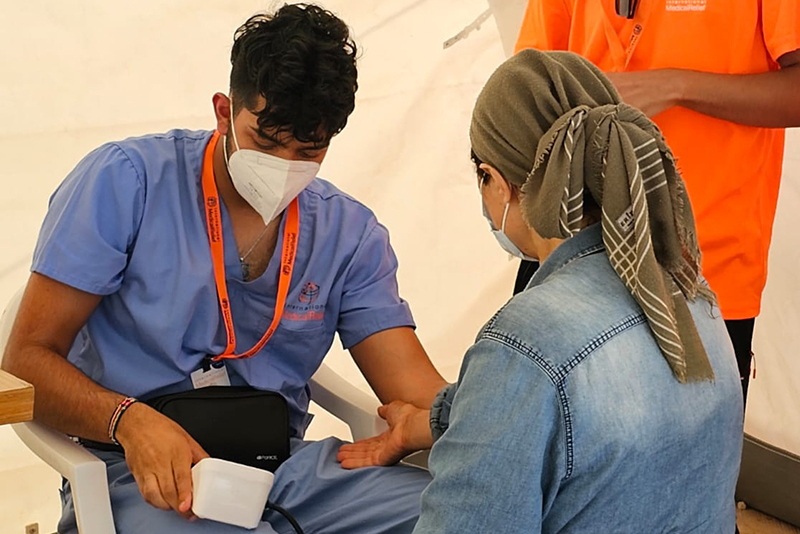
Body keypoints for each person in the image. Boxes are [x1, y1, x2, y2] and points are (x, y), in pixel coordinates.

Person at [1, 5, 446, 533]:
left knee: (469, 509)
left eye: (309, 149)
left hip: (281, 470)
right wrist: (128, 421)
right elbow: (26, 362)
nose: (283, 166)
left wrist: (509, 406)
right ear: (223, 111)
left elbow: (416, 390)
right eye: (265, 141)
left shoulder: (348, 235)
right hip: (138, 473)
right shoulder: (126, 183)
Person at [337, 49, 744, 533]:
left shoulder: (526, 341)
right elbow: (552, 421)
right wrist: (419, 426)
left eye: (482, 178)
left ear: (496, 180)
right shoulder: (690, 295)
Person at [512, 0, 800, 405]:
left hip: (703, 274)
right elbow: (528, 85)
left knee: (686, 461)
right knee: (527, 441)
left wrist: (673, 87)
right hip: (566, 252)